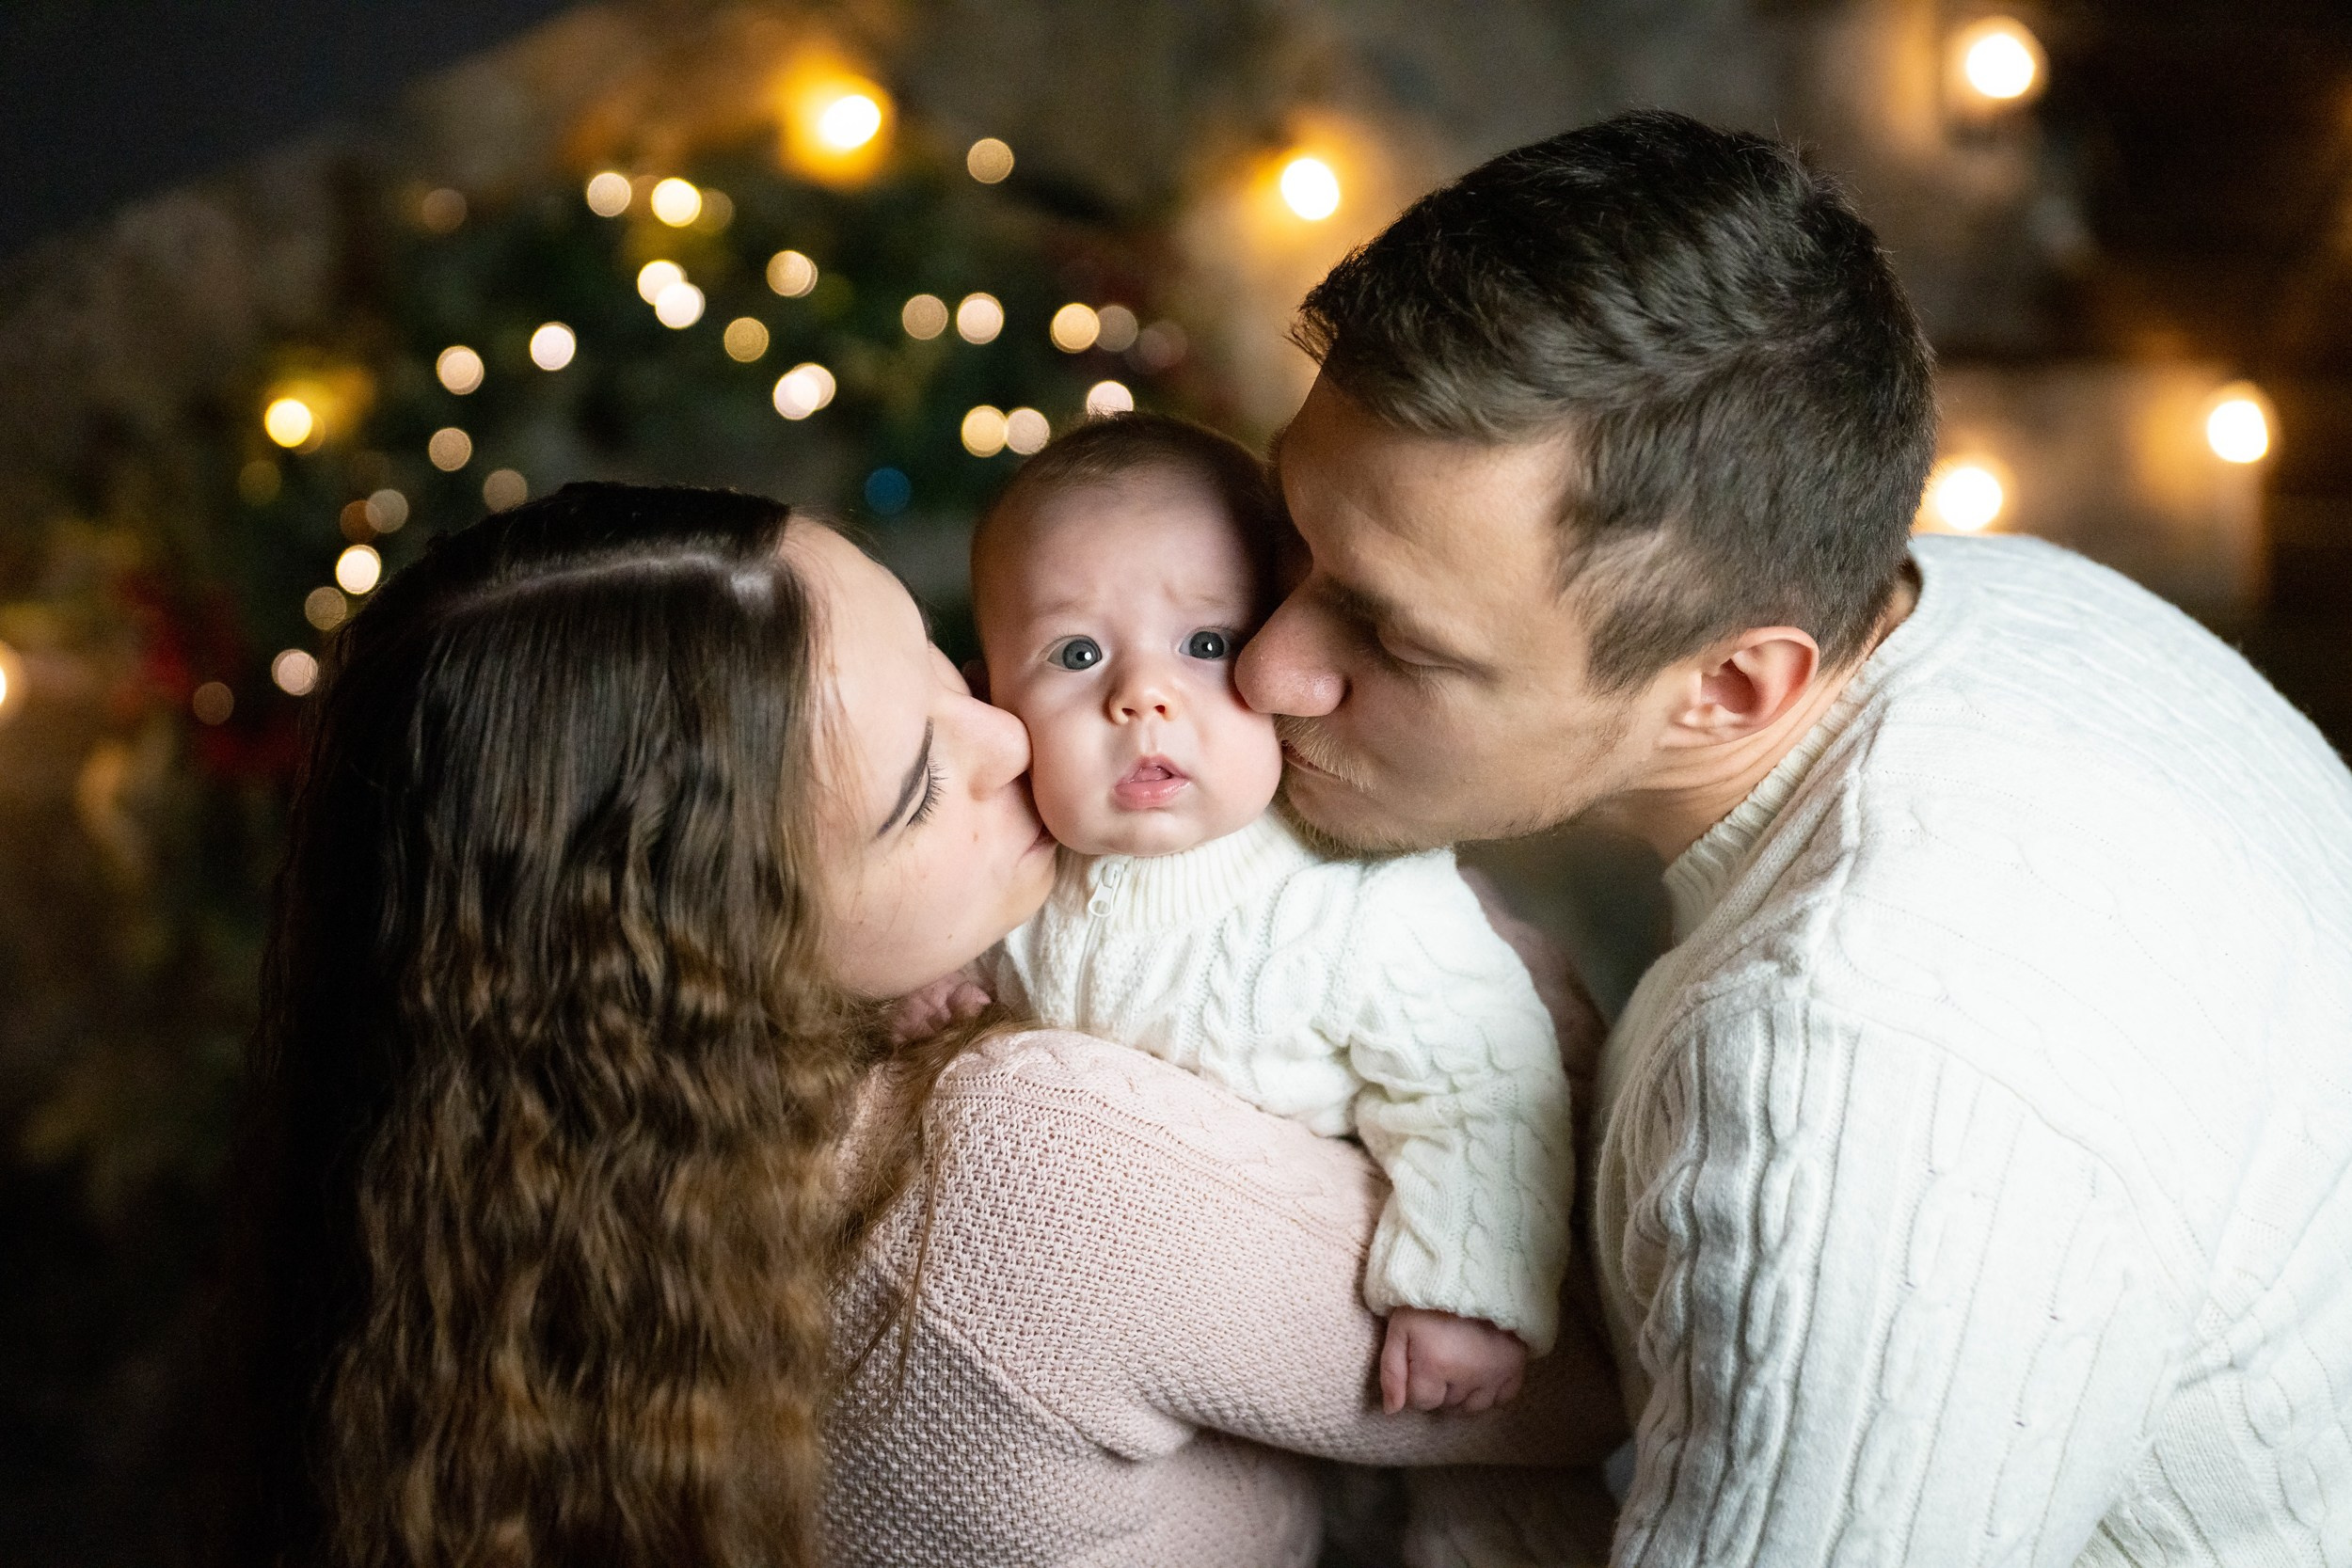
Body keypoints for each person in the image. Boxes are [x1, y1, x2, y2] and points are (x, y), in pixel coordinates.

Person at [1236, 108, 2352, 1563]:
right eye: (1292, 529)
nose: (1266, 664)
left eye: (1389, 634)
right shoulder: (1992, 594)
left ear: (1730, 686)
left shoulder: (1858, 1081)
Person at [226, 482, 1624, 1568]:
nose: (1013, 737)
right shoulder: (1022, 1154)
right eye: (914, 793)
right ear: (725, 947)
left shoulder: (574, 1214)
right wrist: (1468, 941)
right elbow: (1595, 1374)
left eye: (951, 669)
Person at [966, 412, 1575, 1417]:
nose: (1142, 696)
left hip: (1340, 1311)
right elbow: (929, 962)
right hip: (1107, 1327)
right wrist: (936, 988)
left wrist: (1462, 1284)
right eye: (1075, 653)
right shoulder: (1000, 864)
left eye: (1206, 643)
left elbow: (1485, 1085)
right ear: (991, 695)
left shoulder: (1361, 895)